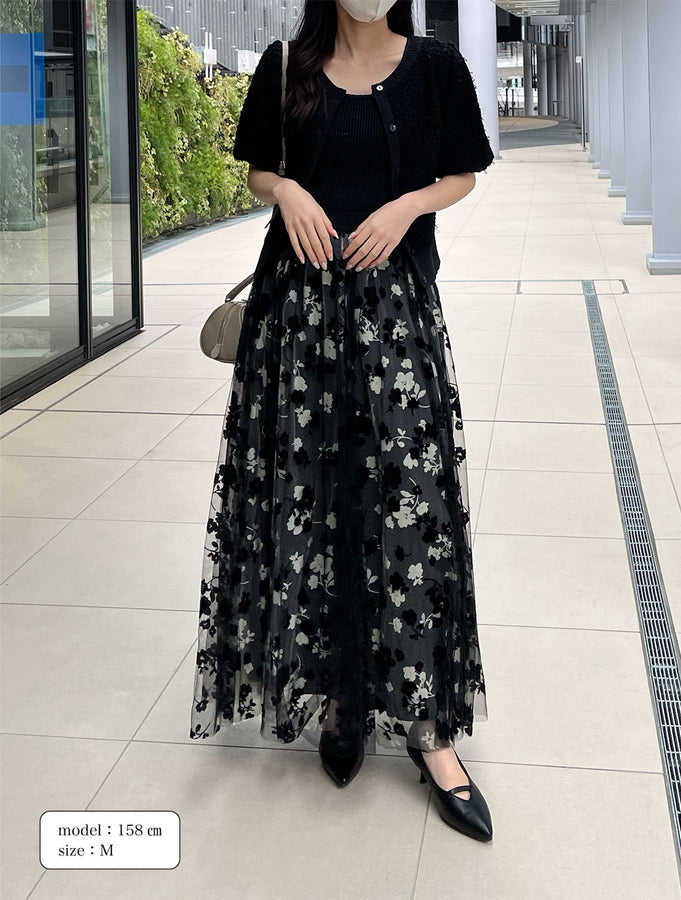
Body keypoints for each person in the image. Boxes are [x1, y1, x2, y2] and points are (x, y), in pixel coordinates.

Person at [190, 0, 495, 842]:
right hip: (298, 327)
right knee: (313, 508)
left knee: (412, 513)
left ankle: (430, 730)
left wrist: (406, 208)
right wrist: (286, 188)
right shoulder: (286, 65)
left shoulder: (435, 68)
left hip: (396, 321)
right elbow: (258, 170)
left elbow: (465, 171)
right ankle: (337, 699)